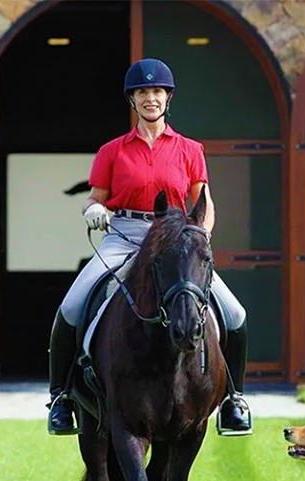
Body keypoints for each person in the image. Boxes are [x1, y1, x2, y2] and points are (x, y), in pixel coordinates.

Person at [47, 58, 252, 436]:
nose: (150, 98)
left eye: (157, 91)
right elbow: (94, 198)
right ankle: (61, 398)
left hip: (176, 239)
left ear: (167, 98)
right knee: (72, 306)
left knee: (234, 313)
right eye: (142, 92)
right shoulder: (113, 150)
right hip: (124, 235)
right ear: (133, 100)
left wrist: (199, 237)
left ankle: (233, 400)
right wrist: (93, 210)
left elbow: (202, 202)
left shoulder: (191, 149)